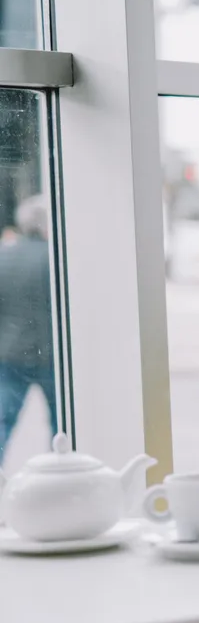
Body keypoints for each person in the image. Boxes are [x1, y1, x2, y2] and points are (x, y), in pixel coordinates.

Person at [0, 194, 56, 461]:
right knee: (62, 427)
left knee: (3, 421)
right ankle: (63, 475)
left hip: (9, 353)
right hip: (51, 356)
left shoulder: (4, 256)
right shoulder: (56, 259)